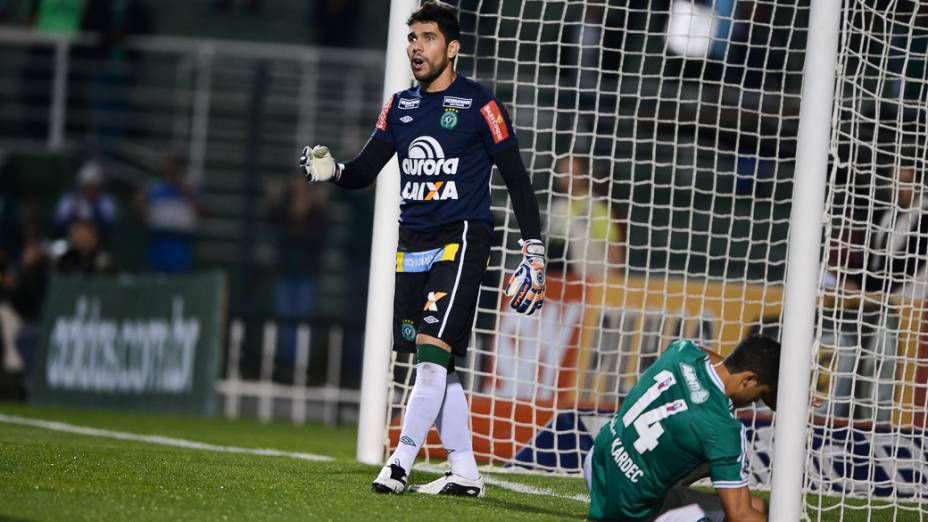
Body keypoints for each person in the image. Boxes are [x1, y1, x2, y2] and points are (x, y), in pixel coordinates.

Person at [298, 1, 544, 497]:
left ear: (452, 48)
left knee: (431, 357)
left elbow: (516, 179)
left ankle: (400, 462)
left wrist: (533, 250)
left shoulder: (481, 105)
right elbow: (366, 170)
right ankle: (465, 470)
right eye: (412, 38)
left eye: (427, 37)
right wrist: (335, 172)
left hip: (463, 238)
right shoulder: (400, 106)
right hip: (413, 244)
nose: (415, 47)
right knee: (437, 360)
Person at [585, 335, 780, 521]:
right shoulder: (723, 430)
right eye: (760, 393)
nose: (756, 401)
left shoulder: (681, 350)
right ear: (747, 380)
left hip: (597, 463)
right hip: (628, 510)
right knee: (747, 510)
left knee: (755, 504)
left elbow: (721, 370)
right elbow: (739, 517)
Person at [547, 155, 625, 280]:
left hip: (596, 280)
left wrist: (615, 280)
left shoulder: (596, 207)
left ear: (583, 174)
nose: (568, 177)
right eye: (563, 172)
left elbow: (613, 245)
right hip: (565, 282)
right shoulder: (557, 208)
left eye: (573, 172)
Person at [136, 153, 204, 273]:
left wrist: (188, 194)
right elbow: (141, 212)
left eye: (173, 166)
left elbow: (202, 211)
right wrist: (142, 208)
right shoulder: (153, 188)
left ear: (179, 168)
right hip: (158, 243)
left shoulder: (190, 187)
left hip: (181, 245)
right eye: (167, 166)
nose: (170, 169)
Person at [52, 159, 119, 241]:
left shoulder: (107, 200)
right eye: (87, 186)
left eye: (94, 186)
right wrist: (72, 212)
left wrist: (95, 206)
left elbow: (111, 226)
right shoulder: (69, 198)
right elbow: (58, 224)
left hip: (99, 241)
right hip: (71, 240)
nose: (90, 190)